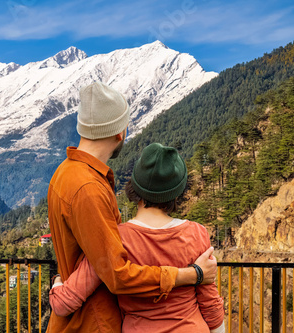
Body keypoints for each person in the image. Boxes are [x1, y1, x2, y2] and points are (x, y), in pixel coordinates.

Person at [46, 82, 217, 332]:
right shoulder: (88, 188)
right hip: (95, 321)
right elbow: (116, 275)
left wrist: (60, 285)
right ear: (120, 133)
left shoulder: (65, 173)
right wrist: (191, 275)